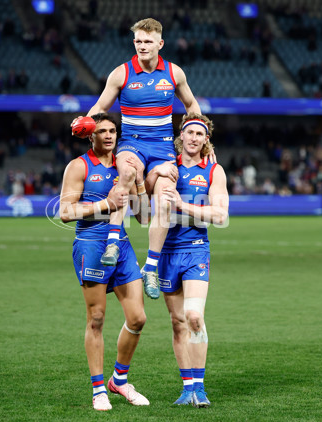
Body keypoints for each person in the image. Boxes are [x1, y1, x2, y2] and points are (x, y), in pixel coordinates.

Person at [71, 17, 204, 301]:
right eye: (138, 41)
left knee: (167, 195)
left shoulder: (174, 73)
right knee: (128, 173)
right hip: (132, 143)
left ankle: (151, 266)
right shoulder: (120, 74)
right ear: (134, 43)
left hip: (164, 147)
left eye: (148, 41)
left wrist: (205, 138)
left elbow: (191, 105)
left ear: (160, 43)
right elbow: (100, 106)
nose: (143, 46)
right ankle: (113, 242)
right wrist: (85, 120)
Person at [59, 113, 151, 411]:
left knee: (138, 318)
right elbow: (65, 212)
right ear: (91, 136)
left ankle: (119, 381)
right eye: (102, 131)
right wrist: (105, 204)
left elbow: (144, 217)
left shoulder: (125, 165)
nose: (109, 135)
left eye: (113, 130)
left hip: (121, 246)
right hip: (91, 245)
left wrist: (138, 183)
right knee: (96, 318)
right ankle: (99, 389)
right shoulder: (79, 166)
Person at [146, 113, 228, 407]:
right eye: (189, 132)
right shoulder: (167, 169)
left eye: (199, 133)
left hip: (195, 249)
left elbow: (220, 215)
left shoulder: (213, 171)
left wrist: (182, 205)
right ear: (180, 136)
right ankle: (188, 387)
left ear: (206, 139)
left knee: (194, 316)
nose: (193, 138)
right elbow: (146, 205)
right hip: (166, 252)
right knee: (178, 322)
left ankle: (201, 388)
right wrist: (153, 177)